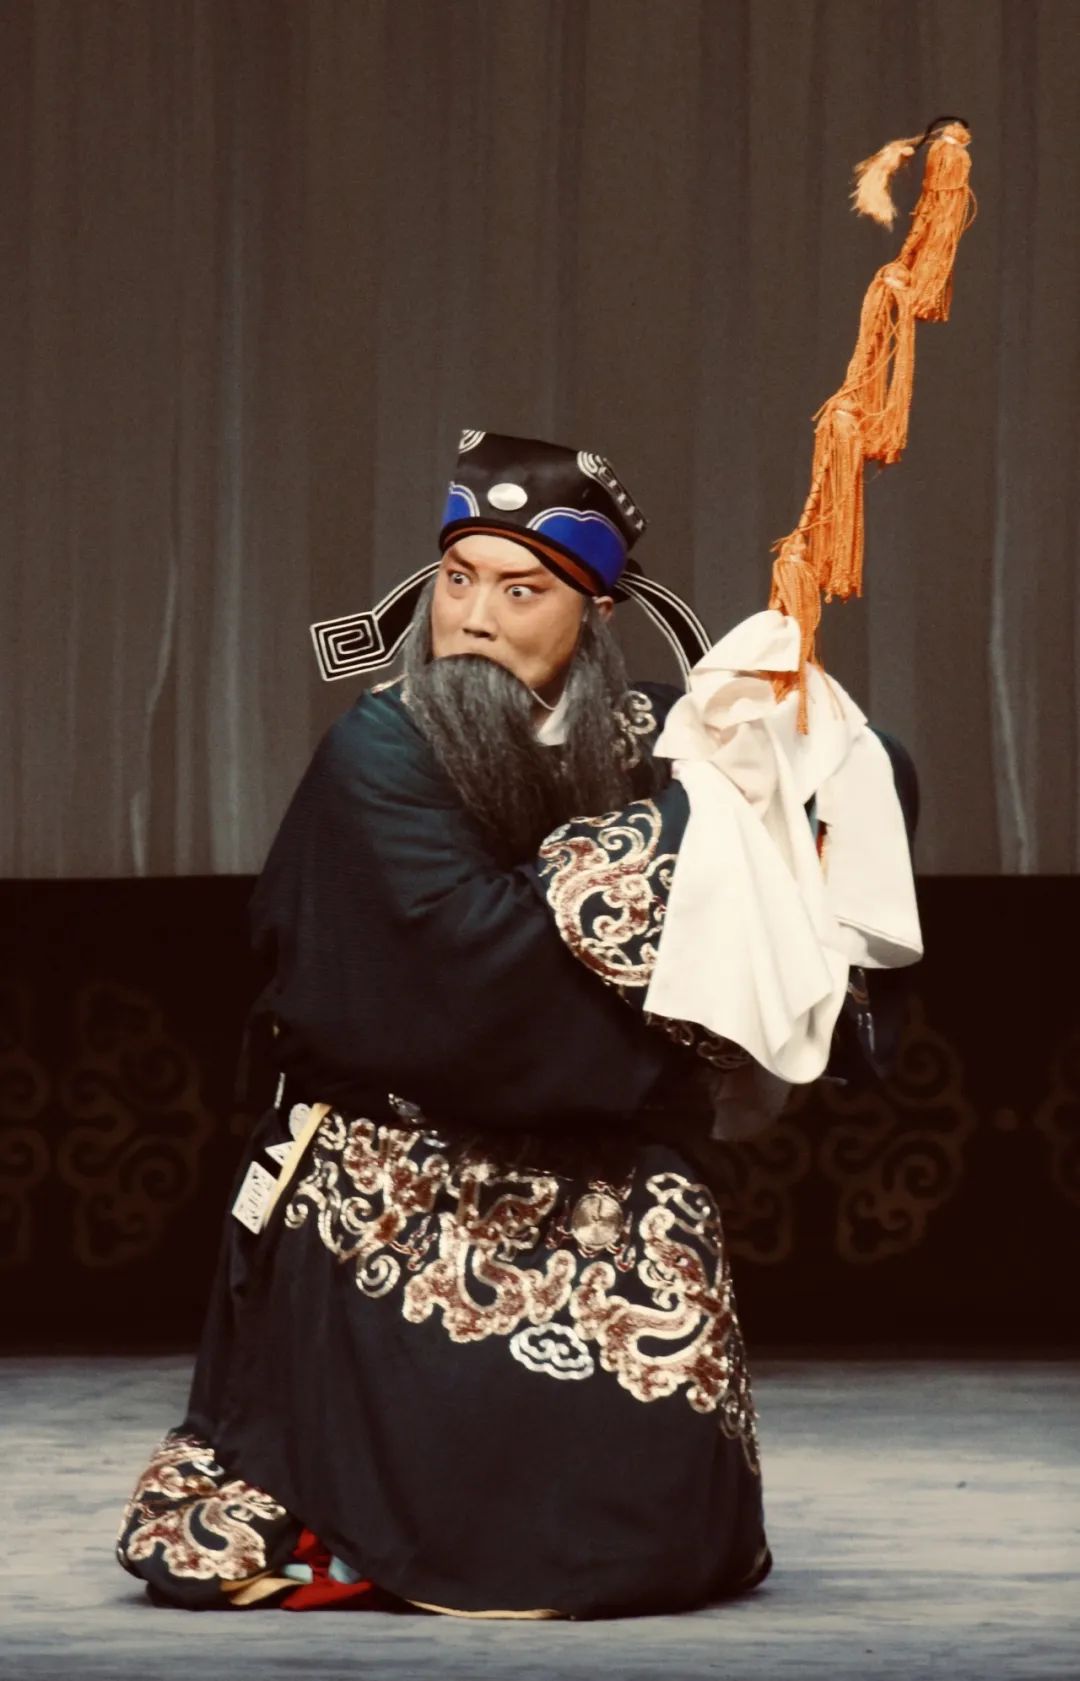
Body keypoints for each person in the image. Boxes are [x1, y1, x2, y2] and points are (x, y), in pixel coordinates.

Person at [116, 428, 914, 1617]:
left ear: (593, 614)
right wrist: (697, 831)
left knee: (663, 1540)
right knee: (429, 1500)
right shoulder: (378, 746)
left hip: (596, 1166)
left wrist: (792, 737)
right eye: (458, 580)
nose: (476, 618)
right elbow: (469, 959)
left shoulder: (648, 737)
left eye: (522, 590)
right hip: (395, 1170)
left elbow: (844, 787)